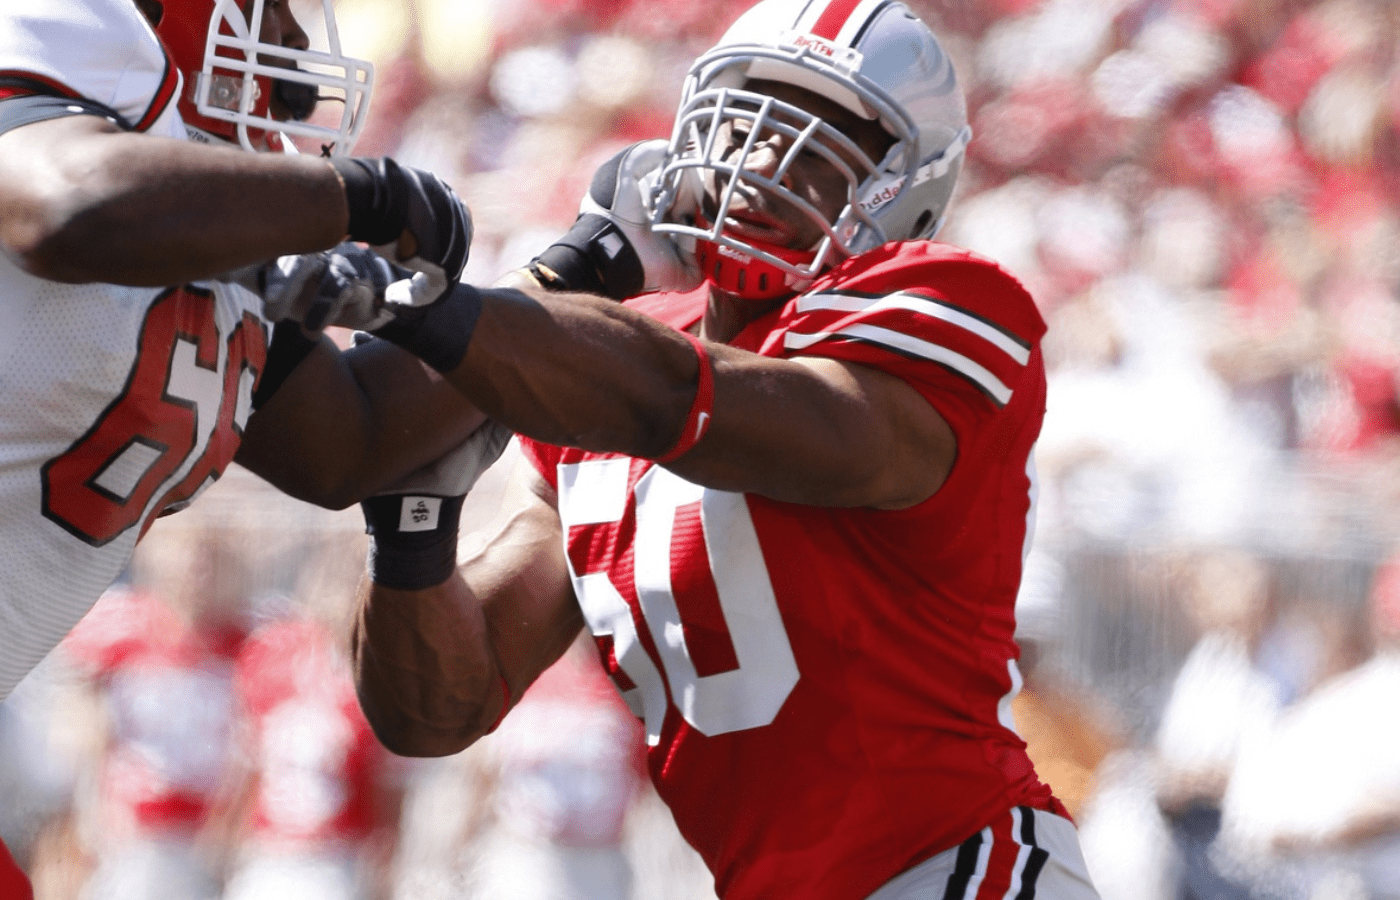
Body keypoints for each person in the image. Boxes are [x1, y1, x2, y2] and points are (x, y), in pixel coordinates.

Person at [337, 1, 1104, 898]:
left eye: (820, 144)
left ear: (904, 186)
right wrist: (411, 523)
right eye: (743, 117)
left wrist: (450, 310)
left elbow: (689, 402)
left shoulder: (946, 304)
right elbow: (437, 708)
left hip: (957, 864)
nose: (763, 160)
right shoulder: (603, 369)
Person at [0, 0, 498, 894]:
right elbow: (67, 201)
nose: (299, 45)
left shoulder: (186, 219)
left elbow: (347, 442)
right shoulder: (61, 60)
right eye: (278, 8)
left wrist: (578, 290)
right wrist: (358, 195)